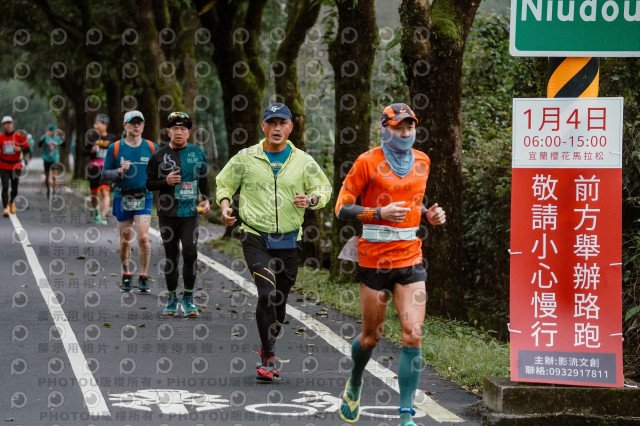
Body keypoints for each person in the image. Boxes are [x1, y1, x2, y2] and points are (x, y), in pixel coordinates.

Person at [334, 103, 446, 425]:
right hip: (374, 260)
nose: (406, 133)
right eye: (398, 127)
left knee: (413, 334)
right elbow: (342, 208)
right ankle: (355, 381)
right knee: (371, 337)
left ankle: (406, 414)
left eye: (410, 127)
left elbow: (414, 203)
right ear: (384, 129)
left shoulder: (423, 161)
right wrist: (378, 213)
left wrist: (428, 215)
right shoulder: (367, 162)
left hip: (410, 258)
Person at [216, 102, 332, 381]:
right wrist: (225, 206)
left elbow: (324, 188)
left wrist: (312, 199)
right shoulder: (246, 158)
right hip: (255, 235)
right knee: (267, 294)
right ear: (263, 127)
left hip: (290, 239)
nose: (277, 128)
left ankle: (269, 340)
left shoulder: (303, 161)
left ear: (291, 127)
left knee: (279, 300)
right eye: (272, 123)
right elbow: (224, 183)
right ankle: (268, 356)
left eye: (282, 123)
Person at [146, 111, 212, 317]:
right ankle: (172, 298)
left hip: (190, 212)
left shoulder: (197, 153)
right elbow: (149, 184)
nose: (179, 132)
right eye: (175, 128)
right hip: (167, 213)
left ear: (189, 133)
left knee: (190, 253)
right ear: (168, 132)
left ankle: (189, 298)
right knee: (171, 255)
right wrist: (165, 182)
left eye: (183, 129)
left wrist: (207, 199)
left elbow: (203, 179)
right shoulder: (158, 156)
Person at [102, 111, 157, 292]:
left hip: (144, 197)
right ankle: (126, 274)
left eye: (139, 123)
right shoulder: (115, 148)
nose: (136, 126)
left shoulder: (152, 147)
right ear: (125, 125)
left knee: (143, 237)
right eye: (132, 123)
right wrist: (119, 171)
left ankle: (144, 275)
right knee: (126, 240)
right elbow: (104, 174)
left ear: (143, 126)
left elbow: (161, 170)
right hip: (123, 196)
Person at [86, 114, 117, 225]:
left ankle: (103, 216)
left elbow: (116, 152)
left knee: (105, 191)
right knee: (94, 193)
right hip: (94, 168)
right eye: (95, 123)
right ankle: (96, 211)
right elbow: (83, 151)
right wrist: (91, 150)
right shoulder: (91, 137)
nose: (95, 125)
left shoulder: (112, 138)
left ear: (105, 125)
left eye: (98, 123)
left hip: (106, 168)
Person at [0, 116, 31, 217]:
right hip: (3, 165)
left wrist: (20, 148)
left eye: (9, 123)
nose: (8, 125)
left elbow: (27, 149)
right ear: (3, 125)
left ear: (12, 124)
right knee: (5, 186)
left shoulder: (19, 137)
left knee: (14, 188)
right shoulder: (1, 138)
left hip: (15, 166)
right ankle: (5, 208)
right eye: (6, 124)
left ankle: (11, 202)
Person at [39, 125, 64, 198]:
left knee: (54, 176)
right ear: (49, 131)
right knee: (47, 176)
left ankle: (54, 190)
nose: (53, 133)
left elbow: (64, 145)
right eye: (51, 131)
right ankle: (48, 189)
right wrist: (45, 136)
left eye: (54, 131)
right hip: (46, 159)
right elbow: (39, 145)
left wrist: (61, 136)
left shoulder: (57, 138)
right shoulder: (45, 137)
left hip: (55, 159)